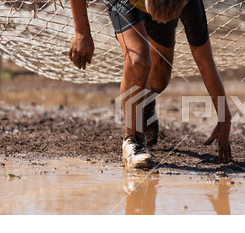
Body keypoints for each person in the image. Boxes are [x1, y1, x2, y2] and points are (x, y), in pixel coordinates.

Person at [68, 0, 232, 169]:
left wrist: (224, 118)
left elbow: (205, 61)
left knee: (160, 80)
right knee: (139, 60)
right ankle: (133, 141)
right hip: (126, 2)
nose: (153, 18)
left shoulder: (190, 3)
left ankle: (144, 103)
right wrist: (82, 32)